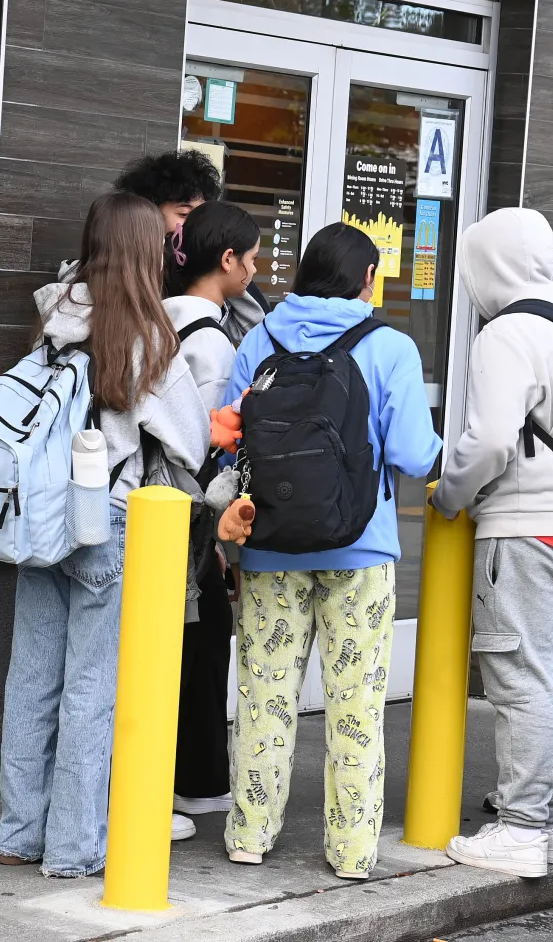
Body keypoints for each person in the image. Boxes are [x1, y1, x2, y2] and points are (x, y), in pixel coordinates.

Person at [0, 192, 210, 876]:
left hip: (41, 516)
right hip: (106, 522)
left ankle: (18, 831)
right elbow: (190, 441)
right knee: (92, 685)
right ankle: (74, 846)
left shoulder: (56, 314)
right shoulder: (146, 334)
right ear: (149, 252)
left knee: (32, 675)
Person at [221, 222, 441, 879]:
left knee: (264, 696)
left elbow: (228, 435)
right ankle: (350, 851)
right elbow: (412, 452)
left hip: (267, 544)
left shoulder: (259, 339)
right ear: (368, 278)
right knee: (356, 705)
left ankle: (249, 834)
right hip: (360, 550)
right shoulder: (390, 347)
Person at [431, 208, 553, 879]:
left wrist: (450, 495)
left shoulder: (508, 332)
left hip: (527, 525)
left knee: (521, 680)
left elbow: (487, 442)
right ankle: (552, 825)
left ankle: (519, 827)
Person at [162, 201, 260, 834]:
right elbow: (197, 445)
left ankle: (192, 783)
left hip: (153, 514)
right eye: (250, 259)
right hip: (186, 522)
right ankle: (187, 785)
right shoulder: (212, 347)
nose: (255, 271)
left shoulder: (161, 322)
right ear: (225, 260)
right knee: (193, 648)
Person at [114, 150, 269, 336]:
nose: (193, 226)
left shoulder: (205, 270)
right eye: (184, 215)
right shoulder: (123, 271)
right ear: (148, 214)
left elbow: (254, 325)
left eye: (202, 217)